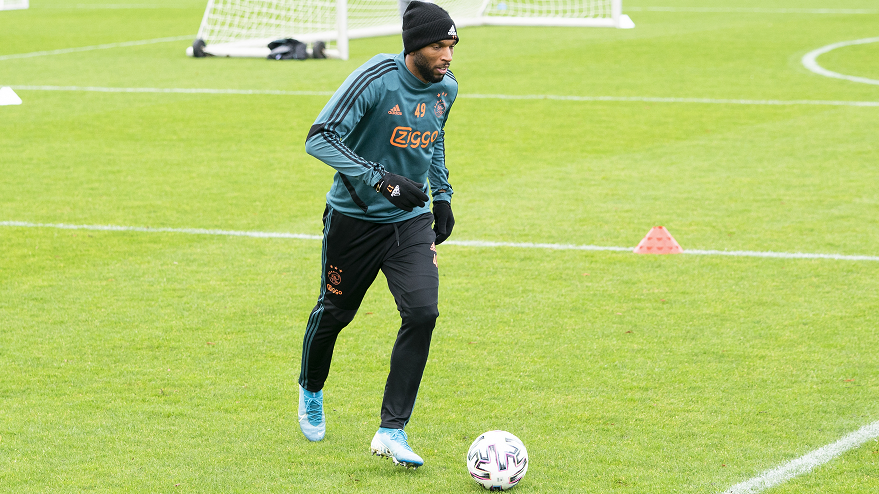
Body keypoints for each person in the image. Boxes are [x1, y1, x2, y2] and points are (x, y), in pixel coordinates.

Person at [297, 0, 459, 469]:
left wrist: (442, 195)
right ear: (414, 47)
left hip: (410, 221)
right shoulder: (376, 78)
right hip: (355, 219)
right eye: (438, 46)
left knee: (423, 312)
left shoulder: (446, 88)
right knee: (335, 313)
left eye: (452, 45)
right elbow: (319, 137)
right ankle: (311, 388)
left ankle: (392, 430)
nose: (447, 55)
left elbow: (434, 138)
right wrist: (380, 179)